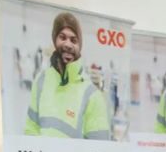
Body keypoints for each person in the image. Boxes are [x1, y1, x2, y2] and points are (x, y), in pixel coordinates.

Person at [23, 12, 111, 140]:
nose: (68, 45)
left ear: (79, 46)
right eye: (62, 37)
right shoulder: (41, 80)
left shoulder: (92, 94)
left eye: (73, 40)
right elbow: (31, 129)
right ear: (54, 39)